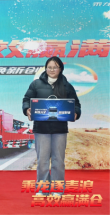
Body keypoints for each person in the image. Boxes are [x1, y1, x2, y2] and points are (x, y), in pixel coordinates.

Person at [22, 57, 81, 195]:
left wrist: (76, 113)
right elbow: (26, 100)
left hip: (60, 129)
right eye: (49, 67)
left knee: (58, 161)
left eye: (55, 67)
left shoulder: (67, 86)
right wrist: (27, 109)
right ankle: (43, 189)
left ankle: (57, 189)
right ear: (46, 68)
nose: (52, 70)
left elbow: (76, 104)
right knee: (42, 161)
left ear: (60, 69)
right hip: (41, 129)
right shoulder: (36, 84)